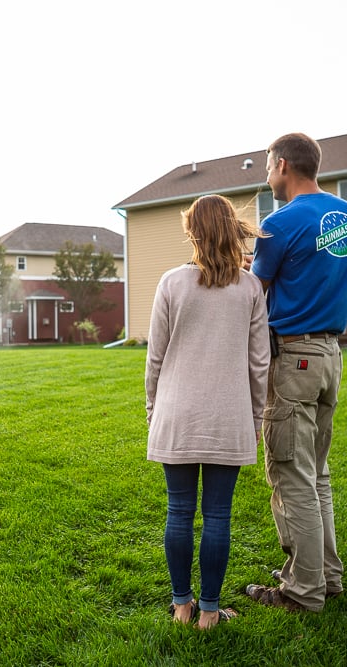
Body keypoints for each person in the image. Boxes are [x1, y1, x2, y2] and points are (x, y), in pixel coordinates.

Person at [247, 132, 347, 612]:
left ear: (281, 164)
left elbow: (254, 292)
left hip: (294, 356)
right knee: (316, 474)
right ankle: (324, 576)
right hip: (331, 355)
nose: (266, 176)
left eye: (267, 166)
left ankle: (301, 592)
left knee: (290, 473)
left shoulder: (280, 222)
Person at [145, 194, 270, 629]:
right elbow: (260, 364)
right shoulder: (251, 288)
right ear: (232, 230)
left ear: (193, 232)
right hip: (228, 416)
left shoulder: (170, 283)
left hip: (175, 414)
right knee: (218, 515)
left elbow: (154, 358)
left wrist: (151, 410)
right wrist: (255, 419)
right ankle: (210, 613)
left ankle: (182, 606)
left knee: (178, 511)